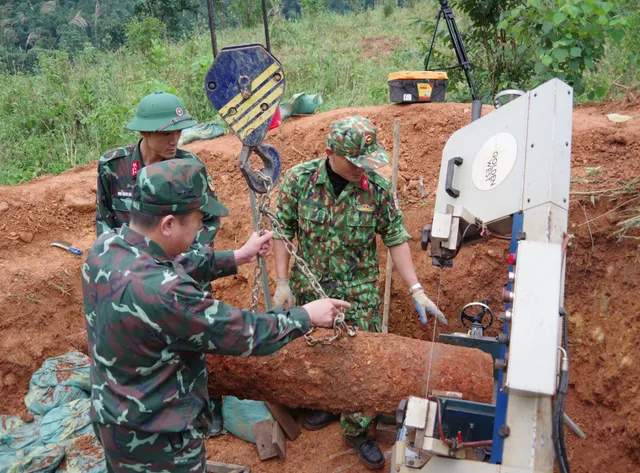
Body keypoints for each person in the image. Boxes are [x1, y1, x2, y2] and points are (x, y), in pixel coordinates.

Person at [83, 157, 349, 473]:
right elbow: (242, 332)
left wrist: (236, 257)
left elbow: (170, 265)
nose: (201, 227)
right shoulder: (169, 295)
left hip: (113, 421)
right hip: (161, 444)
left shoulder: (106, 247)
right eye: (197, 219)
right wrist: (305, 315)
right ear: (168, 224)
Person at [272, 115, 446, 470]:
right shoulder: (299, 181)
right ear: (330, 153)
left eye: (367, 161)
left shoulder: (378, 190)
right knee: (319, 352)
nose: (362, 169)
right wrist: (282, 282)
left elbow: (395, 238)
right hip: (313, 288)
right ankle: (327, 403)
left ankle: (356, 428)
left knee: (364, 359)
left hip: (359, 291)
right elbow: (281, 230)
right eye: (355, 162)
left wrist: (416, 289)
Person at [94, 91, 230, 432]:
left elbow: (208, 218)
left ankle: (206, 406)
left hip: (186, 271)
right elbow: (105, 221)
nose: (175, 139)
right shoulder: (114, 167)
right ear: (144, 132)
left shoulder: (189, 167)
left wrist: (190, 257)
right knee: (148, 347)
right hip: (136, 278)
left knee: (195, 340)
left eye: (179, 132)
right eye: (166, 133)